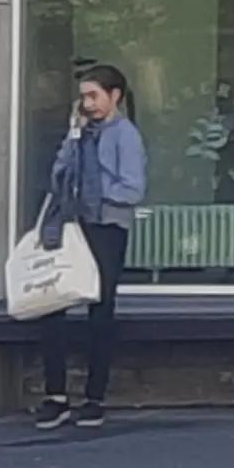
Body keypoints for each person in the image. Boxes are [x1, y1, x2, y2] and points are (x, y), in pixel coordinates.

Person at [35, 63, 147, 431]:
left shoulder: (125, 136)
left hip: (107, 227)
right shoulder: (81, 133)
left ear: (115, 96)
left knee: (100, 311)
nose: (88, 104)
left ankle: (94, 397)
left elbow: (133, 188)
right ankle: (55, 394)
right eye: (83, 97)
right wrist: (73, 137)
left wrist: (97, 194)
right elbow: (58, 174)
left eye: (94, 96)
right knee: (53, 303)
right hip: (73, 225)